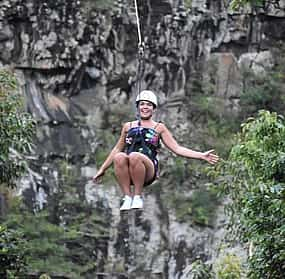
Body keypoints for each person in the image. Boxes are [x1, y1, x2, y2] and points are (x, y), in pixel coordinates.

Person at [92, 90, 219, 210]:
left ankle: (137, 197)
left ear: (153, 108)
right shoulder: (128, 126)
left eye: (148, 105)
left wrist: (201, 155)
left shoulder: (159, 128)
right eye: (142, 104)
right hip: (129, 170)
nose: (145, 107)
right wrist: (102, 169)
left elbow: (177, 149)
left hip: (148, 169)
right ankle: (127, 197)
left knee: (135, 156)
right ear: (138, 107)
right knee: (119, 157)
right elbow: (117, 148)